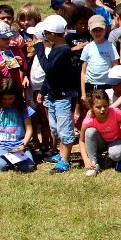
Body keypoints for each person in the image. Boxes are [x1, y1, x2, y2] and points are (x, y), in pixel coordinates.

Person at [32, 15, 78, 174]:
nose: (43, 36)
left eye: (45, 33)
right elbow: (51, 75)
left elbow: (48, 68)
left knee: (64, 129)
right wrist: (43, 90)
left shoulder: (64, 51)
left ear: (52, 34)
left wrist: (39, 49)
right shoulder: (55, 50)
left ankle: (65, 160)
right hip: (53, 95)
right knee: (55, 128)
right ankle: (62, 153)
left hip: (63, 97)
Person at [0, 78, 36, 172]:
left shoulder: (23, 109)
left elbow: (29, 129)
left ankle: (20, 157)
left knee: (29, 167)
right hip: (1, 145)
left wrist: (24, 144)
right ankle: (7, 160)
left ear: (16, 96)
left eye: (10, 98)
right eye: (4, 99)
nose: (7, 101)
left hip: (19, 144)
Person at [79, 89, 121, 177]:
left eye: (105, 106)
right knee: (89, 132)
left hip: (115, 140)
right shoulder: (88, 120)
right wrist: (85, 159)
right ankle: (93, 164)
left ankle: (109, 158)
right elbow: (81, 141)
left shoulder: (115, 112)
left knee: (117, 155)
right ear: (91, 107)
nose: (103, 109)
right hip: (100, 142)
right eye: (98, 107)